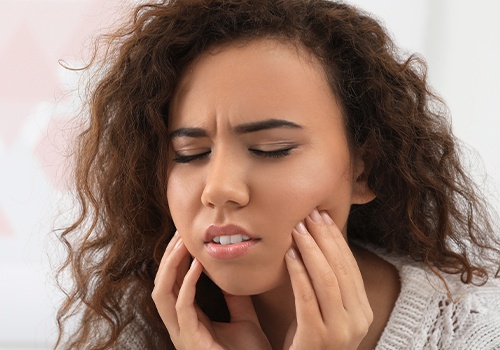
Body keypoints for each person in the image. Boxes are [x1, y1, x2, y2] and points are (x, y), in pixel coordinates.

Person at [55, 0, 500, 349]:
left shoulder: (479, 334)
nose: (219, 189)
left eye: (273, 150)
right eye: (189, 154)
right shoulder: (134, 328)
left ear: (366, 170)